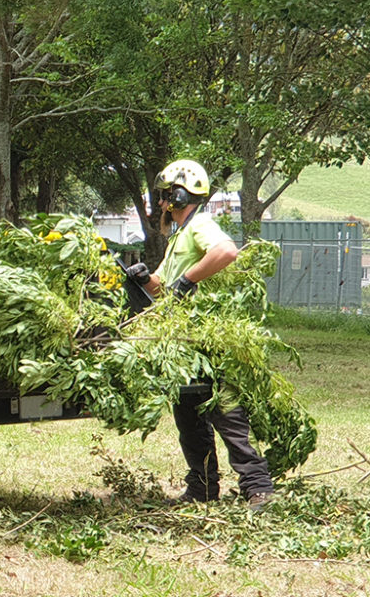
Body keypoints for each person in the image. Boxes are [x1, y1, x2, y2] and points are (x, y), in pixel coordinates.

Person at [124, 159, 275, 510]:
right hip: (182, 340)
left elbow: (226, 251)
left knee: (225, 411)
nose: (161, 204)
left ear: (180, 194)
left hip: (208, 338)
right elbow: (163, 286)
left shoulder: (200, 225)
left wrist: (189, 280)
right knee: (188, 413)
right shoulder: (178, 236)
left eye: (165, 197)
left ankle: (259, 488)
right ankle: (203, 486)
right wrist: (145, 278)